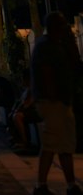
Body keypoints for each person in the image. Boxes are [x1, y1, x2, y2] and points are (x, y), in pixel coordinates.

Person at [29, 11, 83, 195]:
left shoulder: (56, 45)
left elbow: (75, 62)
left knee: (62, 143)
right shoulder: (47, 46)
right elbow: (47, 72)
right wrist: (53, 95)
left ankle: (67, 184)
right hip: (53, 102)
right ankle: (43, 185)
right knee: (55, 143)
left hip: (59, 100)